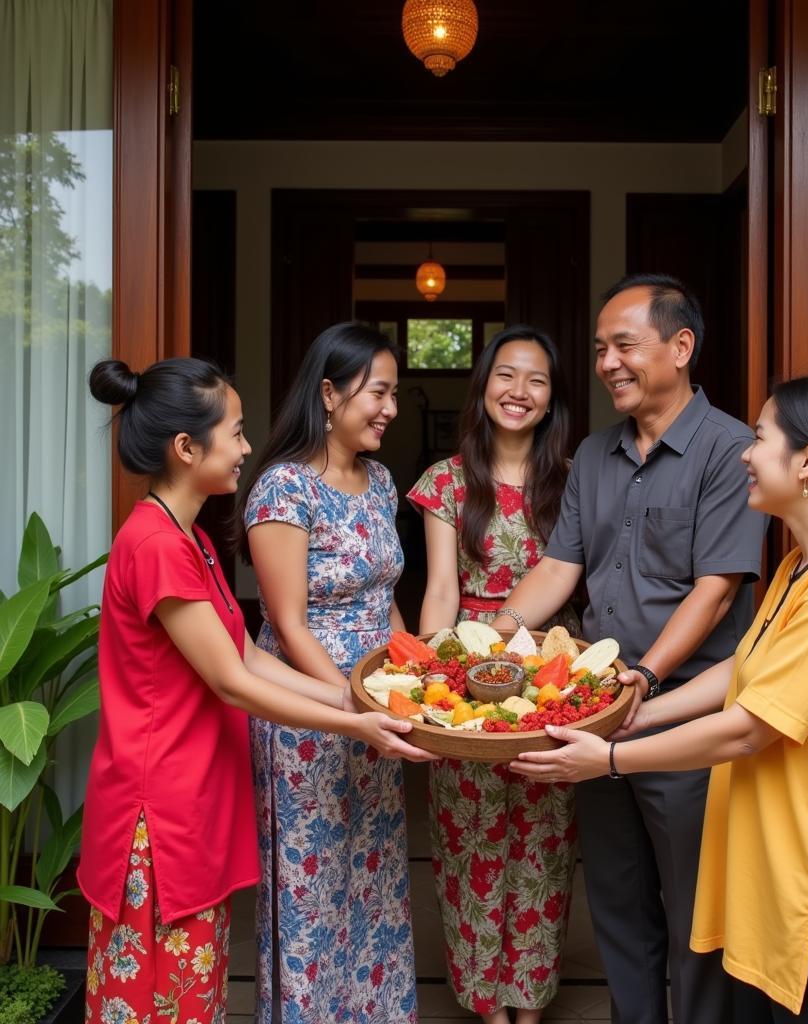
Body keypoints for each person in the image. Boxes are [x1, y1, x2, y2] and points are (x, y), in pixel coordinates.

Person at [511, 375, 808, 1024]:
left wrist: (609, 758)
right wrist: (630, 707)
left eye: (760, 438)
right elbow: (742, 669)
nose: (746, 453)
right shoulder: (805, 563)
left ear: (807, 462)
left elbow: (748, 729)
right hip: (783, 881)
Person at [79, 357, 426, 1024]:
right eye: (235, 434)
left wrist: (354, 701)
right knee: (155, 1002)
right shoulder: (155, 544)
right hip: (158, 813)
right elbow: (232, 681)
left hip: (195, 801)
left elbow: (242, 653)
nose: (246, 449)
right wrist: (354, 725)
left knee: (193, 998)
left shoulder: (190, 539)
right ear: (186, 448)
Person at [491, 274, 765, 1024]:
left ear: (680, 347)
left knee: (695, 912)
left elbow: (715, 589)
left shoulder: (730, 448)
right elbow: (559, 567)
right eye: (601, 348)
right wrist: (488, 637)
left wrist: (645, 675)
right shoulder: (595, 450)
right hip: (594, 709)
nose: (607, 362)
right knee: (615, 898)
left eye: (624, 345)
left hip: (686, 713)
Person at [239, 323, 431, 1024]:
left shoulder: (380, 481)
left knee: (374, 876)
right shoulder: (283, 489)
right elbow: (287, 624)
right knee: (311, 889)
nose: (389, 408)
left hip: (374, 707)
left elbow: (388, 603)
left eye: (391, 394)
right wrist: (353, 705)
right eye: (377, 391)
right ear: (329, 392)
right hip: (307, 716)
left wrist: (420, 681)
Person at [407, 325, 580, 1024]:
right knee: (468, 834)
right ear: (482, 389)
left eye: (536, 380)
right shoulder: (446, 481)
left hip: (547, 671)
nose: (519, 392)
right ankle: (484, 999)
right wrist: (429, 678)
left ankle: (529, 999)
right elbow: (443, 588)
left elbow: (571, 579)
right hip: (467, 667)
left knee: (545, 834)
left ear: (551, 400)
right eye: (506, 376)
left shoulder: (574, 480)